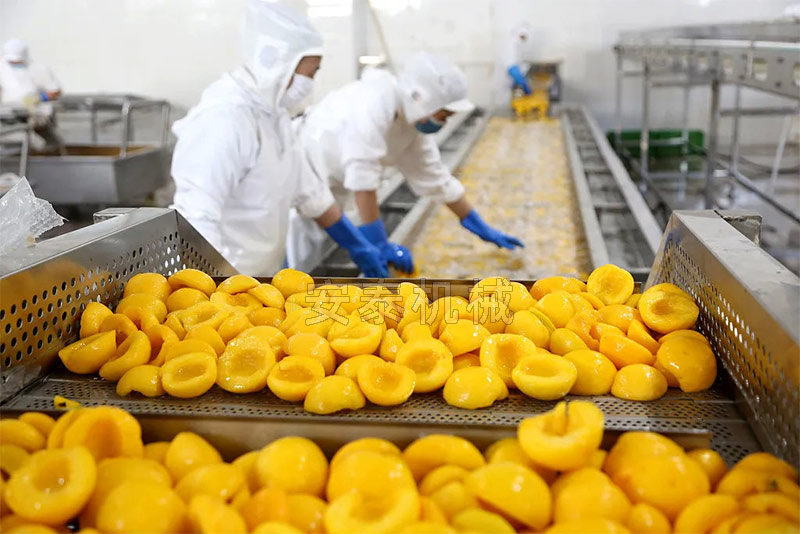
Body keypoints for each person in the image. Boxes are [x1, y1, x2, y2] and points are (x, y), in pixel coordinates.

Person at [170, 0, 387, 277]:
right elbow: (196, 220)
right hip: (227, 281)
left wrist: (357, 244)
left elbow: (310, 192)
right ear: (278, 64)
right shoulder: (223, 119)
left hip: (262, 279)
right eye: (310, 73)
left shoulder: (275, 116)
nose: (310, 83)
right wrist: (221, 288)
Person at [286, 52, 523, 274]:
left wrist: (475, 222)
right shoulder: (373, 106)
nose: (443, 122)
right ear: (421, 99)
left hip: (337, 180)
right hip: (308, 167)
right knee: (303, 248)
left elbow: (436, 179)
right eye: (443, 115)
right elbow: (363, 180)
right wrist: (380, 243)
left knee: (327, 237)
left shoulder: (412, 124)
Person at [0, 38, 63, 149]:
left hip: (36, 111)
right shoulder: (2, 68)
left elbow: (55, 91)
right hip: (8, 112)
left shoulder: (38, 69)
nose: (15, 63)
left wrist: (39, 97)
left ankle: (49, 151)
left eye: (17, 61)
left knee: (43, 139)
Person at [493, 23, 532, 108]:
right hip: (502, 86)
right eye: (522, 36)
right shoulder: (510, 46)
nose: (523, 39)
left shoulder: (518, 47)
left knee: (510, 106)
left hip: (508, 85)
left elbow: (519, 65)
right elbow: (512, 68)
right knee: (502, 108)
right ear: (516, 34)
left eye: (525, 37)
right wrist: (522, 82)